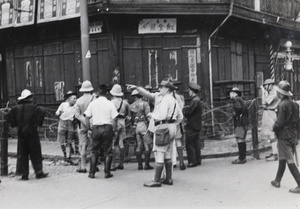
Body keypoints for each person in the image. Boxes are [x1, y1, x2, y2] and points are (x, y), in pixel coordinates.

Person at [128, 77, 183, 187]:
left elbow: (161, 116)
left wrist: (151, 115)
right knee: (168, 153)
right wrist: (172, 123)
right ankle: (168, 178)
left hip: (162, 127)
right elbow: (180, 117)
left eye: (162, 87)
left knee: (159, 153)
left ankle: (156, 180)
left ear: (167, 89)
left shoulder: (164, 100)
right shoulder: (174, 100)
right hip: (172, 126)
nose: (160, 88)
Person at [6, 89, 48, 180]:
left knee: (23, 153)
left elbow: (8, 116)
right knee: (35, 152)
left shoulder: (16, 108)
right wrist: (37, 124)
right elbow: (42, 112)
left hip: (21, 133)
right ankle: (39, 172)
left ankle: (24, 174)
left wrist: (15, 124)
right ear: (29, 98)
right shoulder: (35, 107)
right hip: (32, 133)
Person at [271, 80, 300, 194]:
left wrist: (274, 128)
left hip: (284, 135)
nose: (277, 93)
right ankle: (277, 180)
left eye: (278, 92)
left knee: (289, 160)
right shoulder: (294, 104)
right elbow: (298, 121)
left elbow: (280, 123)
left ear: (281, 94)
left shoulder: (282, 105)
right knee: (283, 157)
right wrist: (297, 135)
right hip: (292, 134)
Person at [84, 84, 118, 179]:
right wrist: (114, 130)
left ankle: (92, 172)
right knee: (108, 151)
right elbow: (114, 119)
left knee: (94, 151)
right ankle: (107, 172)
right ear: (107, 93)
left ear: (98, 92)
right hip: (107, 127)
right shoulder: (110, 103)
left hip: (96, 127)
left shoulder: (93, 103)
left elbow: (86, 117)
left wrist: (89, 129)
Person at [74, 80, 95, 173]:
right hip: (93, 125)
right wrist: (89, 122)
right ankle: (92, 166)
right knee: (92, 145)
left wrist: (84, 121)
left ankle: (83, 166)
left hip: (82, 126)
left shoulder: (78, 101)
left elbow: (76, 115)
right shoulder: (94, 99)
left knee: (83, 145)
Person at [110, 84, 131, 170]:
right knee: (121, 143)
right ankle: (121, 163)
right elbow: (129, 115)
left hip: (115, 122)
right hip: (122, 122)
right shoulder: (125, 102)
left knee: (112, 143)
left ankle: (113, 164)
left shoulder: (111, 102)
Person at [130, 89, 153, 170]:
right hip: (143, 125)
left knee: (139, 145)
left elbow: (130, 117)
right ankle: (146, 165)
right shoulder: (145, 104)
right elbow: (148, 116)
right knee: (147, 145)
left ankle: (139, 165)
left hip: (136, 126)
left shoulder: (131, 105)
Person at [183, 82, 202, 167]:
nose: (188, 92)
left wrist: (184, 111)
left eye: (189, 91)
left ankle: (192, 161)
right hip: (197, 124)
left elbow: (189, 112)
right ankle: (198, 160)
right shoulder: (197, 99)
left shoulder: (194, 101)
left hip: (191, 125)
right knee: (196, 143)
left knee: (189, 144)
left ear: (192, 91)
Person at [260, 79, 280, 161]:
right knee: (270, 134)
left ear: (270, 85)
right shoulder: (273, 91)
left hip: (270, 113)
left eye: (266, 86)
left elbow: (264, 102)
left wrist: (262, 92)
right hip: (269, 113)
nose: (265, 87)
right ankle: (274, 152)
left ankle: (275, 153)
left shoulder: (274, 92)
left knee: (271, 134)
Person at [55, 91, 78, 159]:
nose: (75, 100)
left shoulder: (76, 107)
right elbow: (57, 113)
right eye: (74, 98)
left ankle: (68, 156)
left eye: (76, 98)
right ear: (69, 99)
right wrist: (59, 113)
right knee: (62, 141)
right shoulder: (63, 105)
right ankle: (64, 154)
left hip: (70, 123)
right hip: (62, 123)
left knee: (69, 141)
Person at [229, 87, 249, 164]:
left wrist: (235, 114)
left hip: (239, 122)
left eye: (231, 93)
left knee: (240, 139)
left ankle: (241, 158)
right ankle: (243, 157)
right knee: (242, 139)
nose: (230, 95)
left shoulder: (236, 100)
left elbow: (238, 108)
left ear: (234, 93)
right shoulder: (240, 99)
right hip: (243, 121)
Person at [173, 81, 186, 170]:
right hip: (177, 121)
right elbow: (181, 110)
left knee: (171, 143)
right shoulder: (179, 98)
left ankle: (173, 162)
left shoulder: (166, 98)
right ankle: (181, 162)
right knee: (178, 141)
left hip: (169, 122)